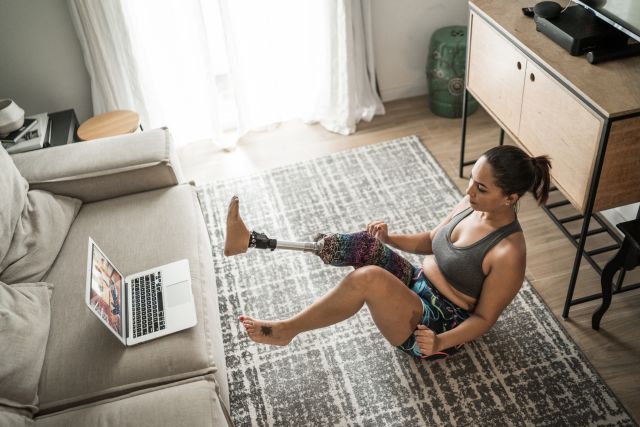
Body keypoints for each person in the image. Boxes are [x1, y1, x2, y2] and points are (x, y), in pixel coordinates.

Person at [224, 145, 551, 360]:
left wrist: (438, 343)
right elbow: (429, 241)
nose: (469, 192)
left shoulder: (509, 252)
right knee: (364, 245)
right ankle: (253, 241)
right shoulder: (471, 204)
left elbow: (484, 319)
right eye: (472, 181)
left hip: (435, 324)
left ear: (510, 198)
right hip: (417, 283)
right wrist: (390, 238)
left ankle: (285, 331)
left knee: (369, 279)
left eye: (482, 188)